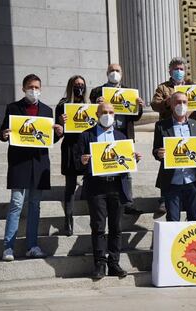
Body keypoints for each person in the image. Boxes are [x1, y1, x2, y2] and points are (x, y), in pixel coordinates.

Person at [0, 74, 63, 261]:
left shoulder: (46, 110)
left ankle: (32, 245)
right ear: (23, 88)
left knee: (35, 206)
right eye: (30, 87)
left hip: (39, 164)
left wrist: (59, 132)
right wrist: (4, 134)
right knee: (16, 204)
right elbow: (2, 133)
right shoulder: (13, 108)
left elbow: (48, 138)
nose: (34, 90)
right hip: (19, 163)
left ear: (40, 89)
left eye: (36, 87)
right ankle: (8, 247)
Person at [75, 101, 142, 279]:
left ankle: (114, 263)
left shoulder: (121, 137)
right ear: (97, 115)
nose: (108, 115)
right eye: (104, 112)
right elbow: (76, 162)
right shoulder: (86, 136)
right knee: (98, 226)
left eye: (111, 112)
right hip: (96, 187)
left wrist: (134, 158)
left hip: (117, 185)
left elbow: (126, 163)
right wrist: (82, 161)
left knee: (116, 227)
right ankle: (99, 264)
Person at [89, 63, 144, 215]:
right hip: (102, 132)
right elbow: (91, 114)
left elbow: (135, 116)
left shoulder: (129, 92)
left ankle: (127, 202)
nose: (114, 73)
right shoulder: (97, 91)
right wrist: (96, 104)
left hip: (123, 133)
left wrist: (139, 107)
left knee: (126, 167)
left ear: (122, 73)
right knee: (105, 162)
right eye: (112, 70)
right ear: (107, 73)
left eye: (117, 71)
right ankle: (100, 200)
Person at [152, 92, 196, 221]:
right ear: (172, 105)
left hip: (193, 180)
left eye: (184, 102)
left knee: (195, 220)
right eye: (178, 102)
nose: (181, 105)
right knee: (173, 221)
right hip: (172, 181)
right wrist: (159, 153)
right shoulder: (161, 126)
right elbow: (155, 151)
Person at [151, 57, 195, 214]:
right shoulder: (163, 88)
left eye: (181, 69)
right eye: (176, 69)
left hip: (187, 129)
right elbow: (154, 104)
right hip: (169, 128)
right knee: (167, 161)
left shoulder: (192, 88)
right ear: (170, 71)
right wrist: (167, 102)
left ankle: (186, 194)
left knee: (186, 161)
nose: (179, 71)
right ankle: (164, 198)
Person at [54, 75, 88, 236]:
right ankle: (68, 221)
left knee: (90, 181)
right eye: (76, 85)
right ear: (70, 86)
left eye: (82, 84)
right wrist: (61, 122)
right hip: (70, 147)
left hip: (86, 146)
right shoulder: (63, 105)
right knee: (70, 186)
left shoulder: (89, 105)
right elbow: (57, 131)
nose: (79, 87)